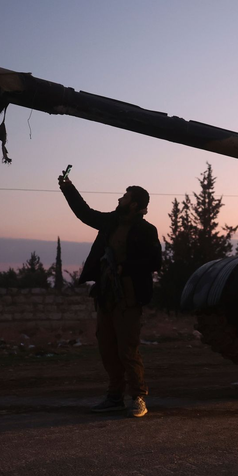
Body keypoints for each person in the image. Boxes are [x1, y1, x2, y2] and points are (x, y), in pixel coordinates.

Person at [59, 172, 161, 418]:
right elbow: (85, 213)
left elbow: (155, 262)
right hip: (106, 295)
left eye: (125, 196)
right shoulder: (112, 222)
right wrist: (68, 188)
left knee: (127, 348)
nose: (120, 198)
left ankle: (137, 397)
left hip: (129, 296)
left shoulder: (146, 230)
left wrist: (126, 267)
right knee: (107, 347)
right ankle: (114, 397)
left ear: (134, 203)